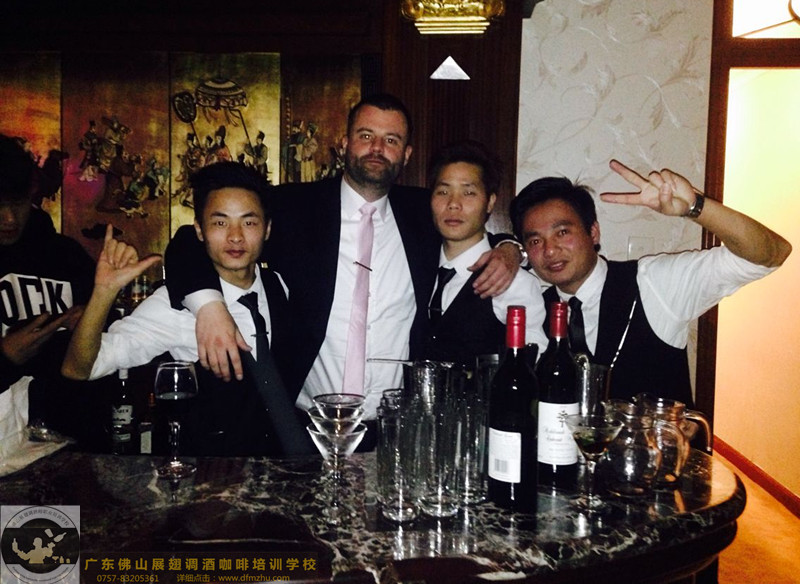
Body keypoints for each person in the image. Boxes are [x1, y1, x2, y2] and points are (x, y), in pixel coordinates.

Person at [164, 93, 521, 421]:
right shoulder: (293, 207)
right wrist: (209, 308)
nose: (377, 148)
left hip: (396, 424)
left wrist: (510, 248)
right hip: (307, 423)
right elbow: (190, 240)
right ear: (344, 143)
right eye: (366, 136)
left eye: (391, 140)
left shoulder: (423, 213)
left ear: (406, 154)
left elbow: (473, 231)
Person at [61, 161, 310, 456]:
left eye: (249, 222)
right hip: (210, 474)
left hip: (284, 469)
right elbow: (79, 369)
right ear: (199, 231)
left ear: (266, 229)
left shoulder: (280, 285)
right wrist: (103, 293)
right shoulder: (173, 305)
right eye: (220, 223)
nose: (235, 236)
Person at [510, 160, 792, 406]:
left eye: (562, 232)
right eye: (535, 241)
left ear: (593, 232)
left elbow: (769, 254)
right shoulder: (534, 312)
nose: (549, 250)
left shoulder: (653, 282)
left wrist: (695, 207)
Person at [0, 133, 106, 442]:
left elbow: (109, 343)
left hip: (70, 439)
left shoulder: (65, 255)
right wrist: (4, 359)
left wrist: (91, 321)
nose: (9, 218)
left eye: (18, 203)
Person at [421, 140, 548, 365]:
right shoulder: (418, 264)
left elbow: (532, 363)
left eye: (468, 192)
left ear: (490, 202)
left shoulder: (513, 282)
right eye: (443, 191)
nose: (453, 204)